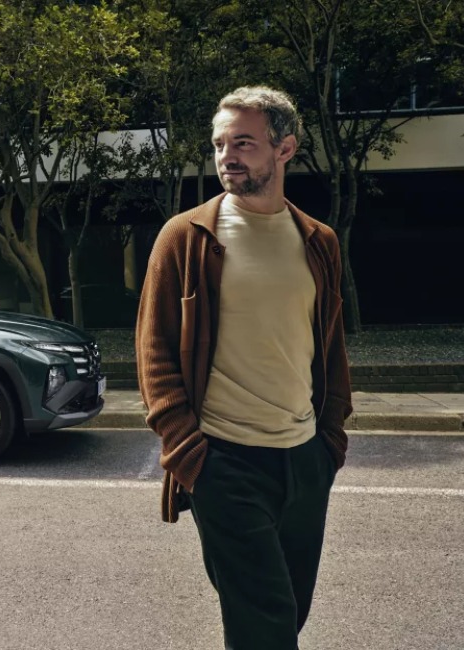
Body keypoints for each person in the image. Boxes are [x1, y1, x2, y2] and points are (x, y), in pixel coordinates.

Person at [135, 86, 352, 649]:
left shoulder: (317, 241)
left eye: (244, 143)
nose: (226, 156)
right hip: (224, 460)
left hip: (304, 459)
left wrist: (329, 443)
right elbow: (153, 352)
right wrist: (189, 454)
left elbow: (328, 346)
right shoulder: (186, 238)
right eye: (219, 144)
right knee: (266, 618)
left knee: (288, 612)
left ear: (285, 149)